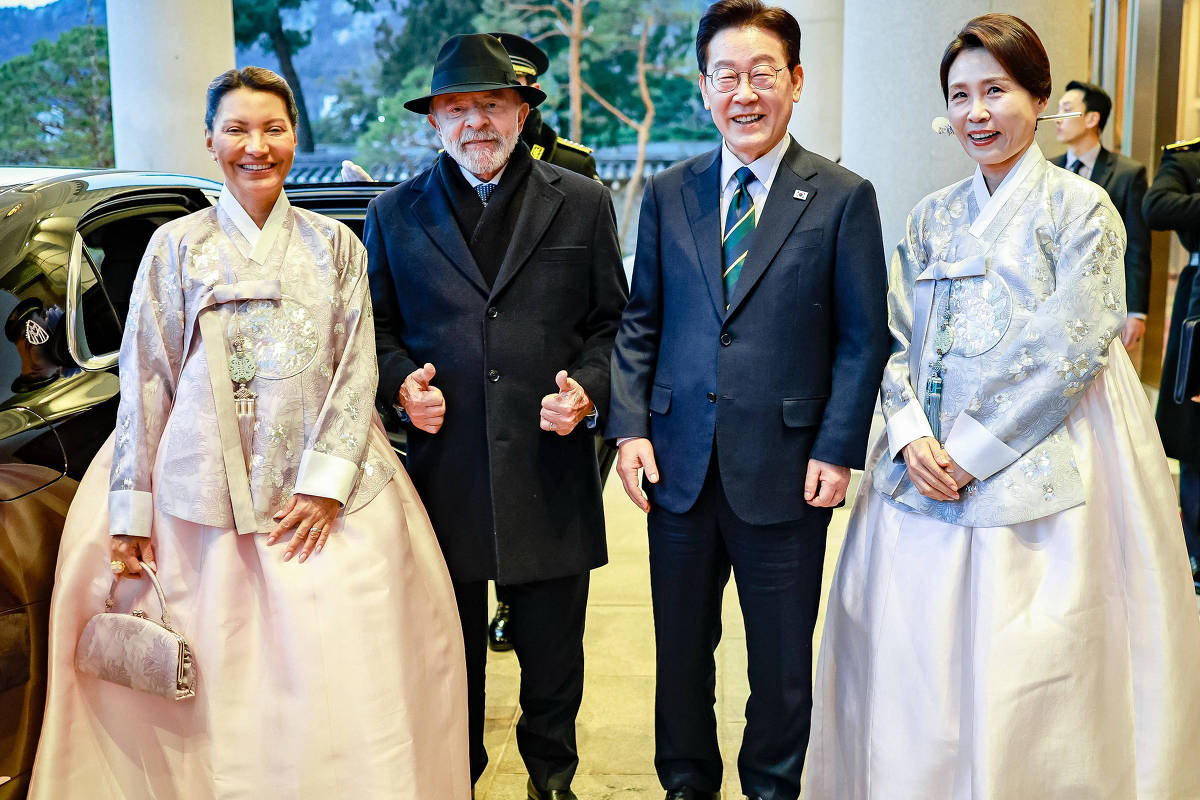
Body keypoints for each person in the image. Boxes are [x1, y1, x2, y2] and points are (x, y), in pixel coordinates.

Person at [28, 66, 470, 799]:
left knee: (340, 667)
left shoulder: (336, 246)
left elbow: (355, 371)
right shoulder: (175, 247)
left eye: (272, 128)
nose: (255, 146)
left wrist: (325, 489)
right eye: (235, 129)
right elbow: (146, 380)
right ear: (209, 140)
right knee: (221, 680)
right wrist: (131, 512)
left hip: (321, 498)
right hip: (195, 500)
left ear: (295, 137)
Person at [807, 15, 1200, 798]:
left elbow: (1072, 344)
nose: (977, 112)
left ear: (1041, 98)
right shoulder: (928, 216)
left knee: (1035, 653)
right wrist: (913, 435)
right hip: (924, 465)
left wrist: (976, 450)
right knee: (914, 649)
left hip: (1049, 452)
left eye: (997, 90)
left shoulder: (1080, 209)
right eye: (961, 95)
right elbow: (892, 337)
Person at [606, 1, 890, 797]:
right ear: (703, 88)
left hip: (790, 471)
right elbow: (641, 322)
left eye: (762, 74)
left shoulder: (841, 197)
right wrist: (629, 429)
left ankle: (772, 787)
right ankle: (685, 785)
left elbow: (865, 339)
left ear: (795, 81)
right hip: (680, 467)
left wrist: (837, 446)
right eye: (726, 75)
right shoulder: (669, 192)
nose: (744, 92)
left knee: (779, 665)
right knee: (680, 658)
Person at [363, 34, 627, 800]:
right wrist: (398, 384)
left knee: (553, 653)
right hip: (442, 470)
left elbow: (614, 324)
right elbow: (374, 331)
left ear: (521, 113)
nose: (476, 123)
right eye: (458, 109)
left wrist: (587, 387)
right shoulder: (393, 213)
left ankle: (553, 779)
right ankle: (457, 778)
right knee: (448, 652)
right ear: (433, 124)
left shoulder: (580, 200)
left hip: (548, 461)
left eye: (492, 106)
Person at [486, 30, 605, 653]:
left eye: (510, 93)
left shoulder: (573, 167)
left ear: (528, 98)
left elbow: (602, 306)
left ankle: (515, 600)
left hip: (549, 387)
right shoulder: (457, 164)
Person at [1052, 79, 1152, 353]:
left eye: (1067, 109)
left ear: (1091, 119)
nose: (1057, 117)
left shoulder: (1128, 174)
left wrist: (1137, 311)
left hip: (1104, 304)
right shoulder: (1049, 169)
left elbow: (1137, 246)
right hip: (1053, 303)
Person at [1144, 136, 1200, 589]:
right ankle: (1196, 551)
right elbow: (1157, 207)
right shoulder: (1186, 157)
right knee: (1198, 430)